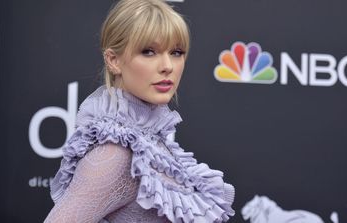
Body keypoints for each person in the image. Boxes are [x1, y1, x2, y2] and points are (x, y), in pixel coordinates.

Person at [44, 0, 235, 222]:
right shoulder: (115, 154)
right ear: (113, 60)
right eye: (148, 52)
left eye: (176, 52)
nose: (167, 66)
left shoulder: (152, 143)